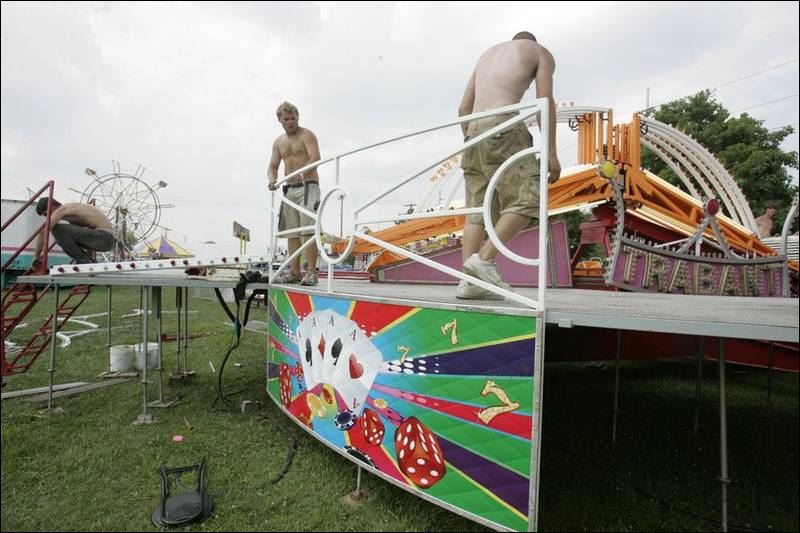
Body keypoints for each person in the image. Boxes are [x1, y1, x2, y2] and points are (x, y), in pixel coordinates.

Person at [456, 31, 561, 300]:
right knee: (528, 197)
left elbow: (462, 110)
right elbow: (544, 101)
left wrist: (474, 139)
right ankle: (485, 260)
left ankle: (469, 283)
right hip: (503, 124)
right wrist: (550, 152)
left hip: (473, 132)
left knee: (478, 210)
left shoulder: (486, 55)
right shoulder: (539, 52)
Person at [268, 101, 321, 286]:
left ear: (298, 117)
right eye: (286, 119)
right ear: (280, 120)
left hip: (308, 186)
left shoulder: (307, 135)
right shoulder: (279, 142)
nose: (290, 122)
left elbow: (315, 157)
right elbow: (273, 166)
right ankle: (295, 272)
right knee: (292, 232)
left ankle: (312, 272)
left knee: (308, 230)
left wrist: (301, 174)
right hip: (289, 189)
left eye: (293, 118)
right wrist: (272, 179)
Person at [32, 197, 116, 267]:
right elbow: (86, 236)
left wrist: (36, 256)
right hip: (107, 241)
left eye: (47, 214)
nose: (49, 217)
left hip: (104, 236)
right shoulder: (72, 214)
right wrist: (91, 265)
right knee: (60, 239)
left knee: (56, 229)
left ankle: (84, 261)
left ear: (52, 206)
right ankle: (87, 262)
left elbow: (43, 232)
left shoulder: (62, 210)